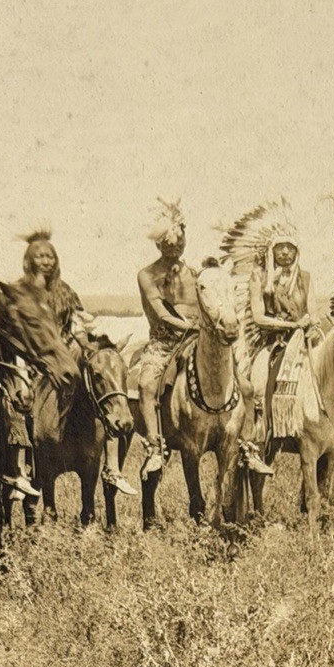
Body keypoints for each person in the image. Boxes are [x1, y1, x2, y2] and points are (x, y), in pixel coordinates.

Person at [21, 228, 135, 498]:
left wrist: (85, 336)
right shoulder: (22, 291)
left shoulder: (65, 291)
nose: (46, 261)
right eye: (40, 257)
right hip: (36, 356)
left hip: (66, 351)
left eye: (50, 256)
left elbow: (79, 320)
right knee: (21, 399)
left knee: (100, 381)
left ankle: (111, 465)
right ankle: (23, 466)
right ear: (29, 260)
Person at [135, 199, 200, 479]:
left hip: (198, 339)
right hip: (165, 342)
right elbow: (161, 314)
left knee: (243, 383)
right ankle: (154, 446)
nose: (174, 249)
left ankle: (245, 444)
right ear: (159, 244)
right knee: (147, 383)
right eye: (168, 244)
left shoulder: (196, 273)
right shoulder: (148, 275)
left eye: (179, 243)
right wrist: (189, 327)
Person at [245, 224, 311, 465]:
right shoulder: (260, 278)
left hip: (303, 339)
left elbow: (311, 309)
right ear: (271, 250)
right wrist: (291, 326)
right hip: (273, 341)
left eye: (289, 247)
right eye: (279, 247)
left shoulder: (305, 277)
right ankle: (254, 438)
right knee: (259, 384)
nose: (284, 252)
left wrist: (307, 323)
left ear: (296, 250)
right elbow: (259, 317)